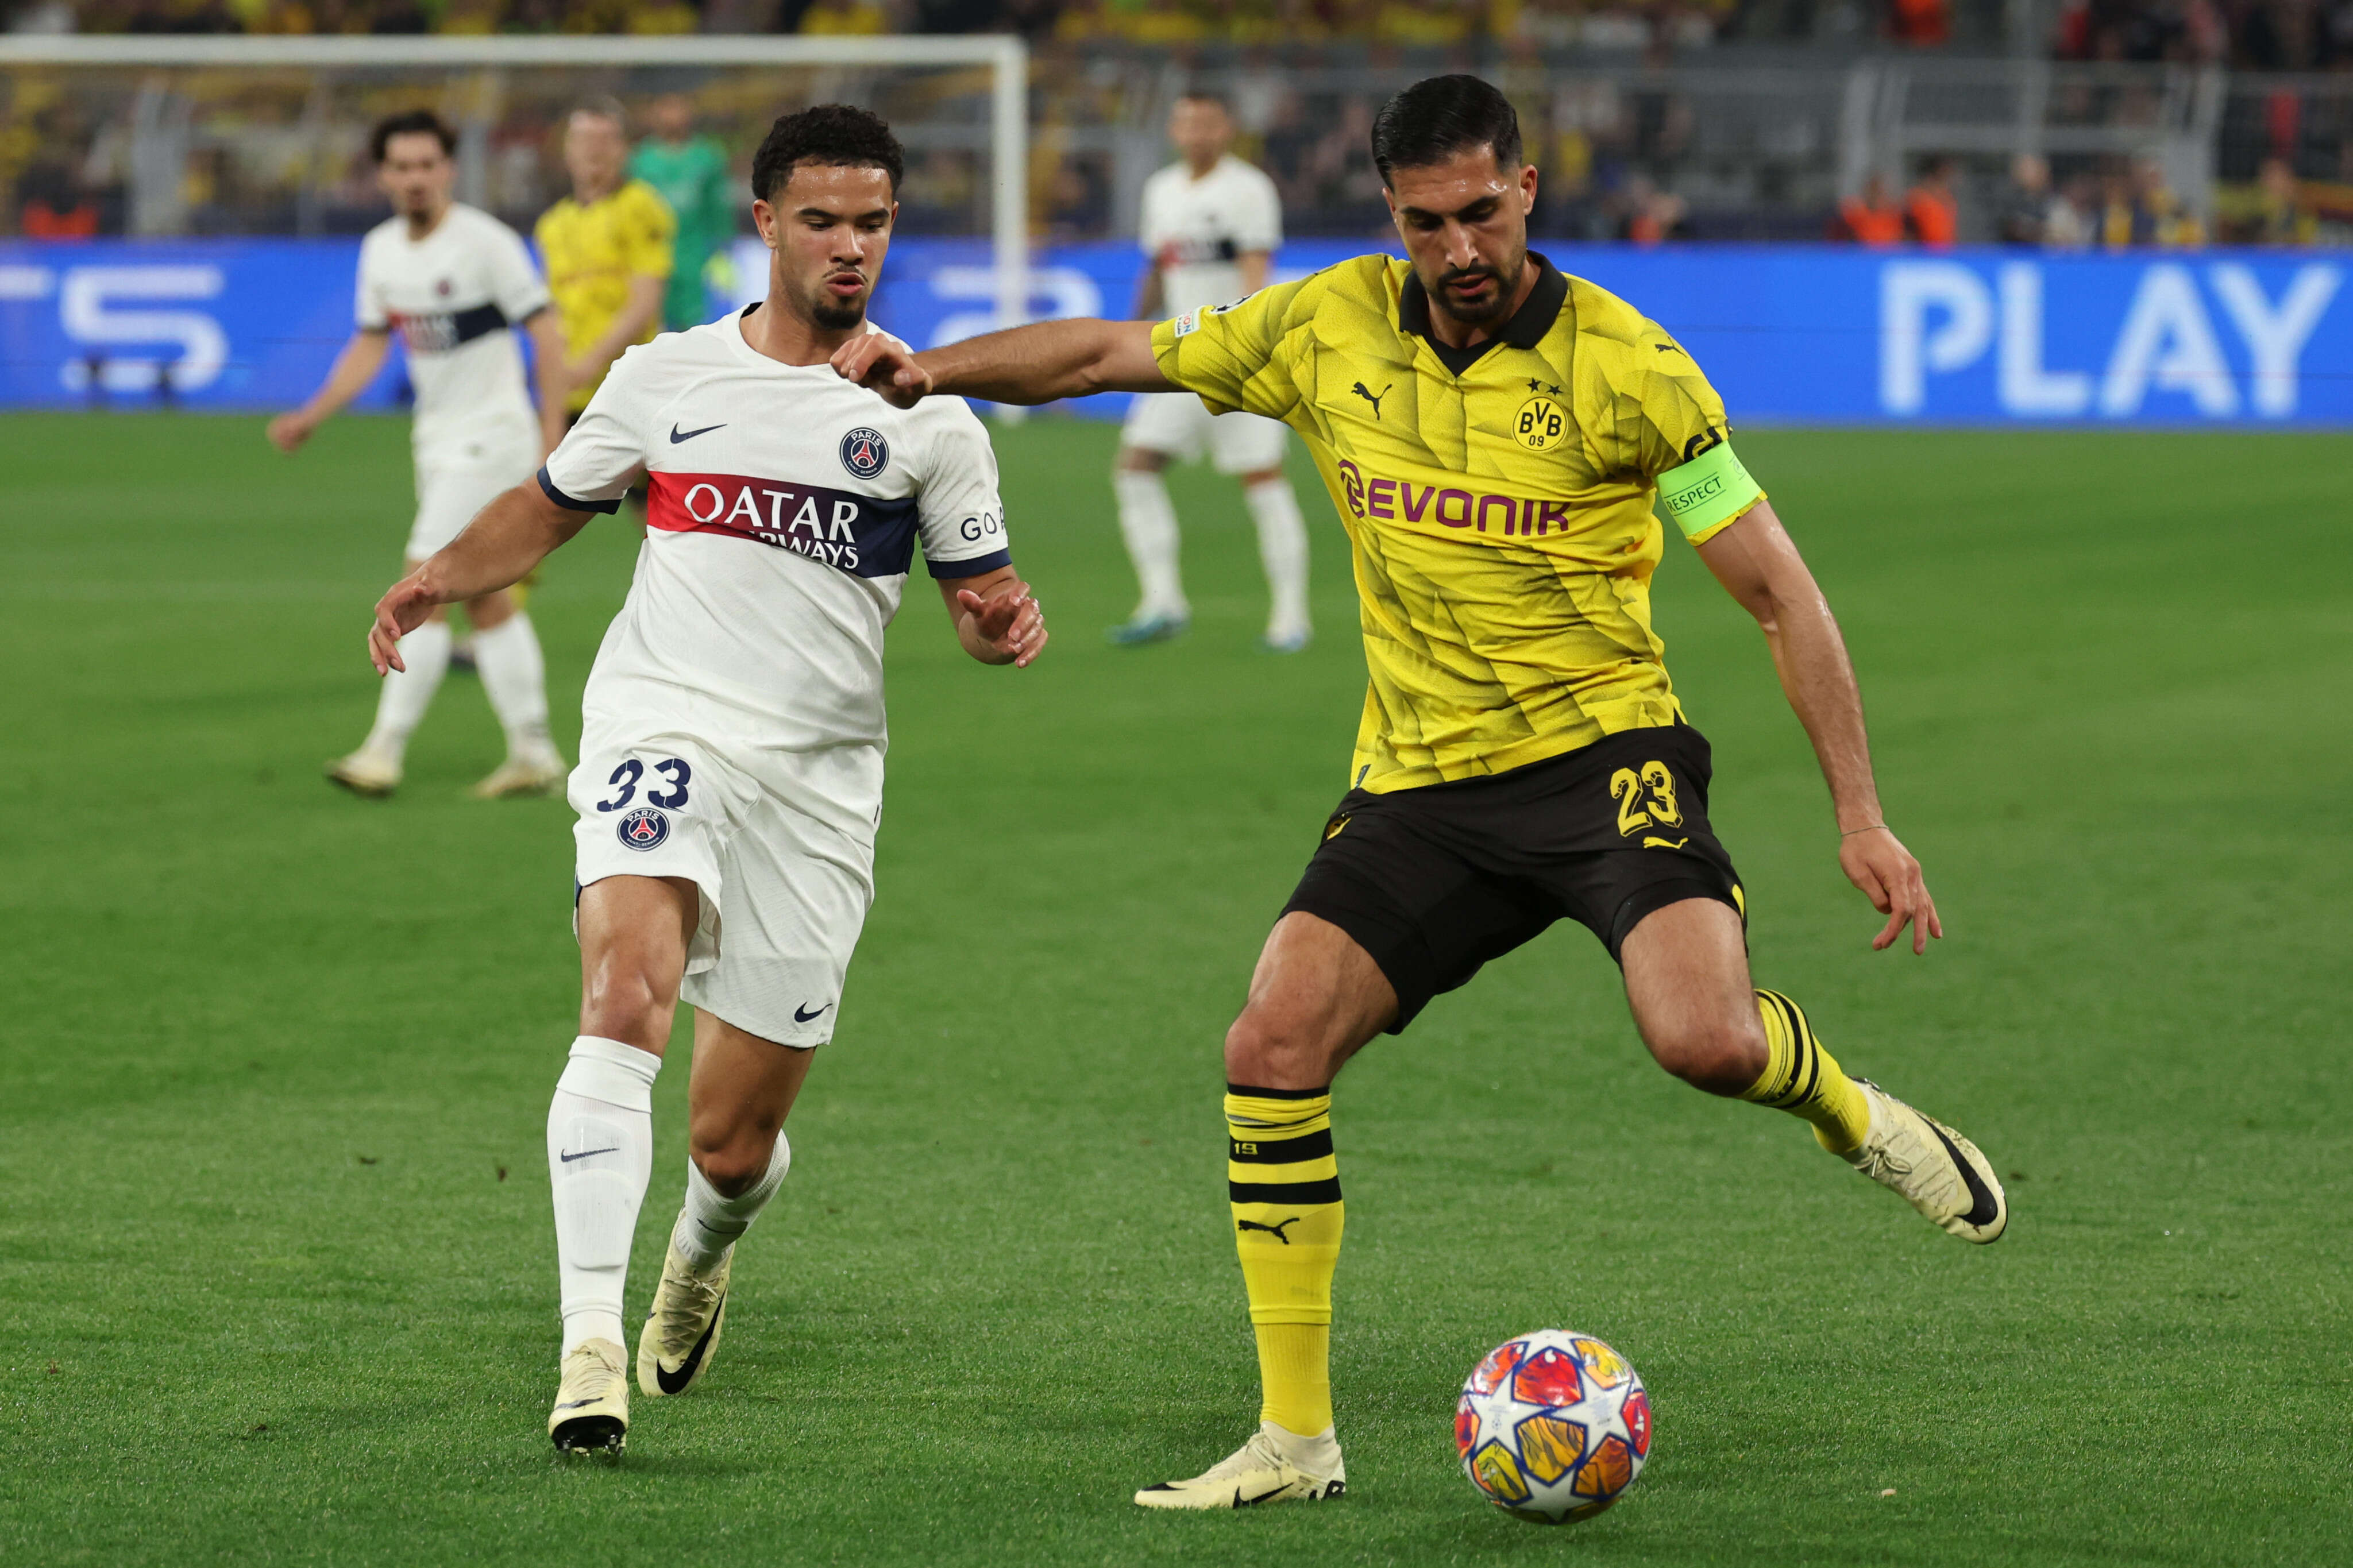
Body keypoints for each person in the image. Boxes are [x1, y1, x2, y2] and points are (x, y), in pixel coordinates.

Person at [834, 74, 2006, 1509]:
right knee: (1269, 1043)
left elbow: (1780, 598)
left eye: (1476, 213)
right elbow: (1100, 356)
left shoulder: (1633, 372)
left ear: (1526, 190)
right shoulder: (1321, 327)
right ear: (1390, 217)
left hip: (1605, 760)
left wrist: (1861, 814)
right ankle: (1295, 1437)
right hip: (1423, 787)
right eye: (1422, 223)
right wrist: (932, 369)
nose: (1457, 250)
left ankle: (1853, 1114)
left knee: (1702, 1041)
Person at [367, 103, 1047, 1456]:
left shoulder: (933, 430)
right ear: (768, 224)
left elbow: (977, 607)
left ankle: (702, 1249)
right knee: (624, 995)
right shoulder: (665, 377)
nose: (849, 247)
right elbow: (549, 505)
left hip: (818, 782)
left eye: (872, 223)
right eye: (822, 221)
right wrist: (443, 571)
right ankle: (588, 1349)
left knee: (731, 1145)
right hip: (659, 722)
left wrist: (998, 623)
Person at [269, 109, 569, 800]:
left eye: (427, 165)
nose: (414, 178)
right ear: (383, 175)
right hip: (434, 439)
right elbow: (372, 341)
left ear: (449, 170)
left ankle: (384, 750)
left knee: (420, 587)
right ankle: (534, 751)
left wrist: (553, 433)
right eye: (401, 167)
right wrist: (314, 414)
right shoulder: (380, 251)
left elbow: (545, 332)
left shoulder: (486, 243)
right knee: (487, 605)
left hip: (491, 436)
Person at [1109, 90, 1311, 652]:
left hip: (1238, 361)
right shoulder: (1162, 190)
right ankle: (1162, 601)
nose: (1196, 132)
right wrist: (1126, 331)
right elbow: (1159, 268)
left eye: (1207, 122)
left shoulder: (1248, 190)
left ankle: (1290, 618)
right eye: (1186, 122)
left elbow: (1255, 271)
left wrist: (1245, 342)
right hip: (1176, 355)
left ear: (1226, 129)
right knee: (1135, 468)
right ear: (1175, 130)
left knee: (1261, 477)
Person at [537, 98, 676, 421]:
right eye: (584, 140)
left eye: (605, 140)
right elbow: (553, 314)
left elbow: (644, 304)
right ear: (567, 150)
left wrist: (589, 362)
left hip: (630, 389)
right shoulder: (553, 224)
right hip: (573, 392)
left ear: (623, 149)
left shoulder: (640, 207)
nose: (594, 150)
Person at [630, 93, 736, 333]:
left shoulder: (707, 157)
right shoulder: (639, 161)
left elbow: (719, 209)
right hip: (652, 259)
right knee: (653, 327)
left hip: (696, 259)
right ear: (655, 114)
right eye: (666, 108)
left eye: (678, 107)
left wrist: (723, 250)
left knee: (696, 329)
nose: (673, 116)